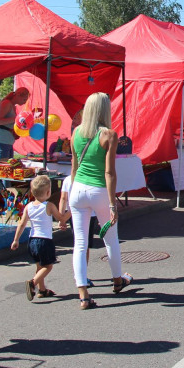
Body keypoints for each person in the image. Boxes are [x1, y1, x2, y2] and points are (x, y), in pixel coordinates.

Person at [70, 92, 131, 310]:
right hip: (98, 190)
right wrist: (113, 204)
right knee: (110, 238)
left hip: (77, 189)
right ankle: (117, 280)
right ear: (105, 110)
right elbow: (109, 173)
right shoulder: (108, 135)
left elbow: (74, 167)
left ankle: (83, 293)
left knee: (80, 243)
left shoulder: (76, 132)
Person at [12, 174, 70, 300]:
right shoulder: (49, 206)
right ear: (48, 192)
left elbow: (22, 224)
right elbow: (61, 218)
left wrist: (16, 239)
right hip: (44, 241)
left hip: (32, 240)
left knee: (39, 266)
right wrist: (73, 210)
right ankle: (32, 283)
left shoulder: (29, 206)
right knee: (48, 266)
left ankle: (42, 290)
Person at [0, 87, 30, 161]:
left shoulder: (12, 105)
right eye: (24, 100)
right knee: (3, 168)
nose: (24, 102)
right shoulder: (6, 103)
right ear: (18, 95)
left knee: (8, 167)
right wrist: (17, 119)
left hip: (8, 141)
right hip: (3, 140)